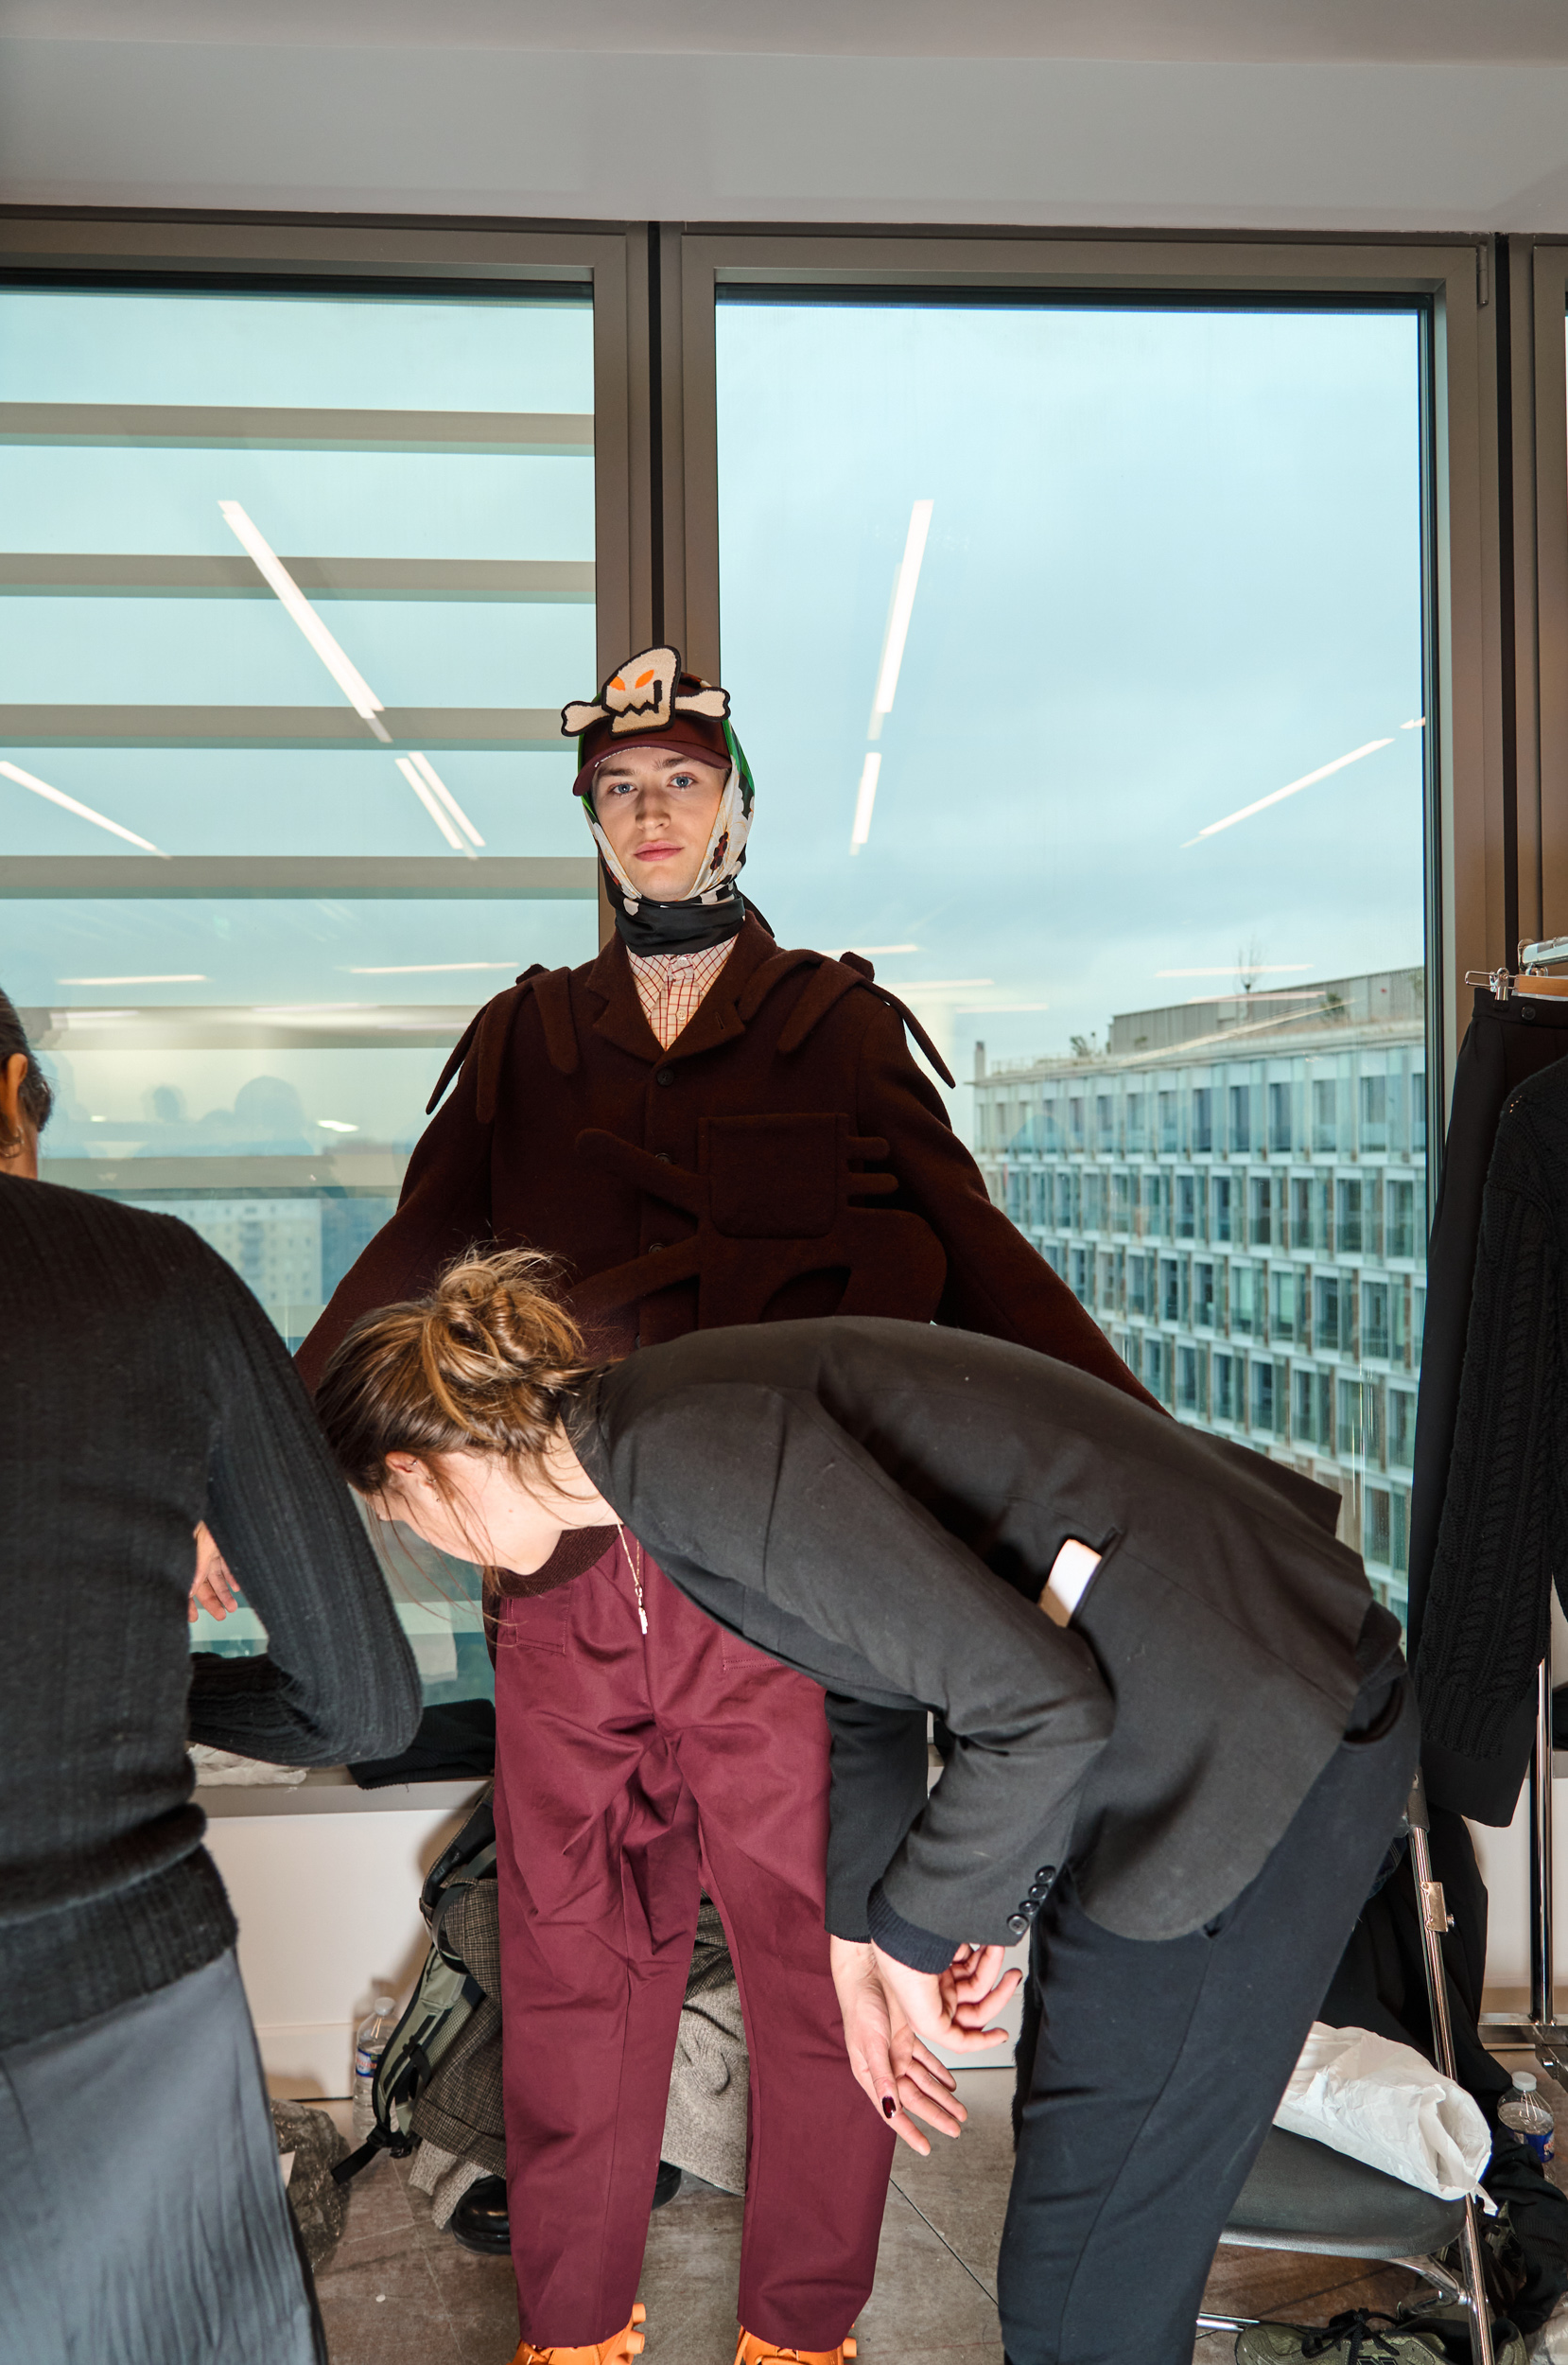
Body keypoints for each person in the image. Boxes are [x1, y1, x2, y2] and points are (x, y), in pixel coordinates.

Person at [292, 644, 1158, 2361]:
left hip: (791, 1589)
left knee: (821, 1967)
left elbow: (979, 1262)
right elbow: (400, 1263)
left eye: (681, 782)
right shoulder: (530, 1036)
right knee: (567, 1975)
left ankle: (797, 2336)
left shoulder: (834, 1023)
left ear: (736, 804)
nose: (650, 814)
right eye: (618, 792)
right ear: (594, 828)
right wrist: (256, 1447)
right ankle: (574, 2333)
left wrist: (1148, 1470)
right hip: (563, 1585)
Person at [314, 1250, 1417, 2365]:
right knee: (1070, 2244)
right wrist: (866, 1944)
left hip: (1253, 1729)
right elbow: (868, 1685)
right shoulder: (649, 1435)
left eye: (403, 1518)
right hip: (1175, 1727)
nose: (427, 1545)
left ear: (420, 1469)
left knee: (1081, 2280)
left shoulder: (674, 1454)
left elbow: (1040, 1705)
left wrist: (915, 1929)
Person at [0, 978, 422, 2365]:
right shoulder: (152, 1276)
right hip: (106, 2004)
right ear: (12, 1096)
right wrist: (131, 1668)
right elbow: (361, 1699)